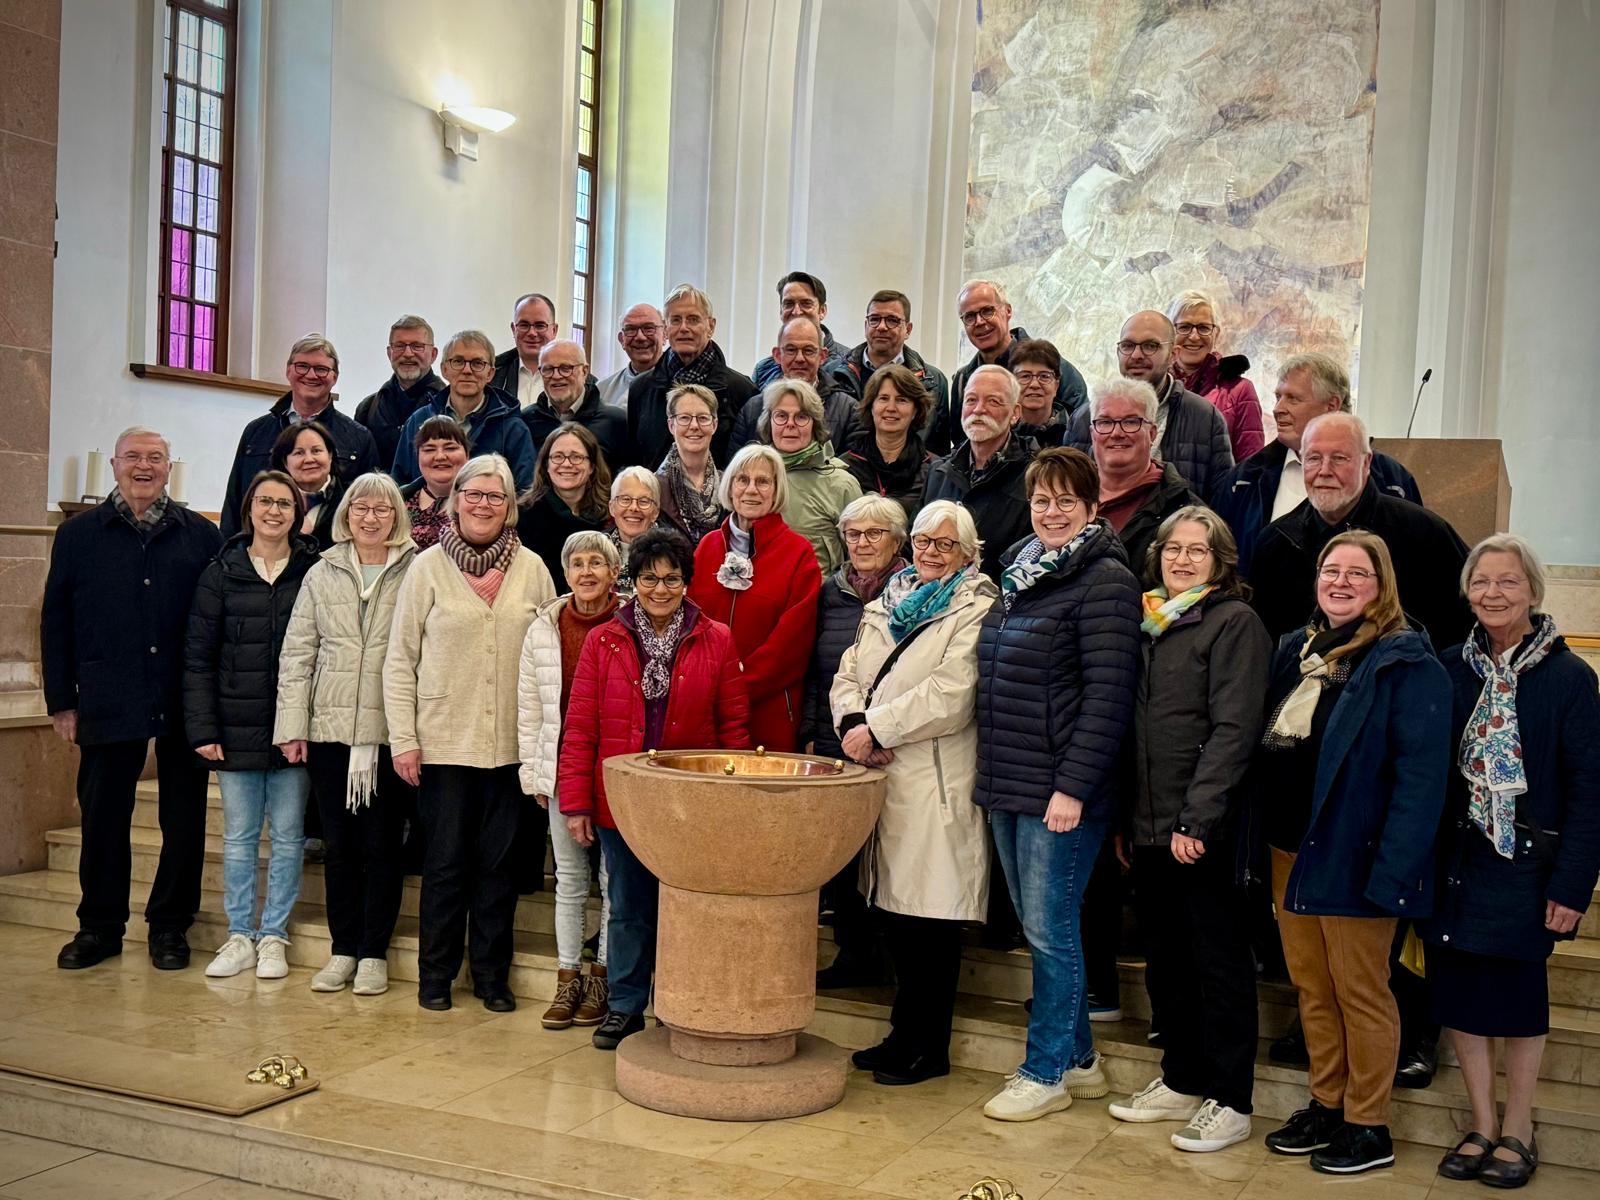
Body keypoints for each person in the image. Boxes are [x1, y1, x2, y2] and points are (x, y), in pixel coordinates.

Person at [1255, 530, 1451, 1175]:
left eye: (1357, 574)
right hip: (1292, 851)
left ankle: (1369, 1124)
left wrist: (1394, 871)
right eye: (1329, 570)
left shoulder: (1405, 663)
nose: (1339, 582)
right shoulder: (1301, 652)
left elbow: (1421, 782)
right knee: (1312, 987)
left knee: (1360, 990)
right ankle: (1328, 1103)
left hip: (1355, 855)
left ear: (1382, 585)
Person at [1426, 535, 1600, 1188]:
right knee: (1461, 997)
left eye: (1507, 582)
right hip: (1459, 860)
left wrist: (1574, 885)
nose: (1493, 594)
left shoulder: (1570, 678)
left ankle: (1520, 1125)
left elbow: (1591, 791)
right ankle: (1481, 1122)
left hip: (1528, 864)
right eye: (1482, 582)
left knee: (1518, 1000)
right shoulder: (1450, 667)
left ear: (1532, 590)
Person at [973, 447, 1141, 1122]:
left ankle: (1043, 1072)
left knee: (1052, 934)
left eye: (1067, 501)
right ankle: (1080, 1062)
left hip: (1062, 793)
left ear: (1093, 508)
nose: (1051, 512)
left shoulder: (1104, 579)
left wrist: (1073, 787)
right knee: (1042, 928)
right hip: (1011, 780)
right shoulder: (1020, 569)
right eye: (1042, 499)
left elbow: (1109, 694)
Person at [1107, 506, 1271, 1153]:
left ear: (1220, 561)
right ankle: (1180, 1076)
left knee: (1218, 966)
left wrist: (1196, 820)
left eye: (1196, 551)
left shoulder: (1234, 623)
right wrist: (1129, 819)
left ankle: (1230, 1099)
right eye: (1173, 548)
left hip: (1203, 833)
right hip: (1148, 827)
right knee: (1167, 962)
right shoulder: (1151, 623)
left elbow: (1233, 731)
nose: (1181, 559)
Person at [560, 529, 751, 1049]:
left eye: (671, 579)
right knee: (626, 907)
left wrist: (731, 799)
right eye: (649, 579)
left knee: (685, 909)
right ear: (633, 581)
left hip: (690, 801)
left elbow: (733, 728)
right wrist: (576, 801)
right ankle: (624, 1007)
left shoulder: (715, 638)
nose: (660, 589)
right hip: (623, 801)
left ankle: (677, 1002)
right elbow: (580, 728)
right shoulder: (605, 639)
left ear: (687, 583)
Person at [42, 427, 221, 972]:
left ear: (170, 468)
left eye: (156, 458)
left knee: (184, 819)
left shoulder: (199, 536)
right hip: (106, 692)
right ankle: (99, 928)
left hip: (181, 694)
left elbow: (215, 623)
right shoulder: (78, 535)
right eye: (134, 457)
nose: (144, 466)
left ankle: (170, 928)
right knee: (103, 817)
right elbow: (56, 620)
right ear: (116, 464)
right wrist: (61, 699)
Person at [831, 500, 998, 1085]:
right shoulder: (888, 601)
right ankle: (904, 1033)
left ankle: (930, 1046)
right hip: (880, 774)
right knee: (896, 916)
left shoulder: (975, 609)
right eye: (923, 540)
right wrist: (852, 724)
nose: (930, 551)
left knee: (929, 922)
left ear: (968, 555)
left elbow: (951, 695)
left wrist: (875, 729)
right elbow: (848, 671)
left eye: (944, 544)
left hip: (933, 783)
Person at [383, 455, 557, 1012]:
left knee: (498, 870)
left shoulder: (532, 569)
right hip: (443, 744)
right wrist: (404, 739)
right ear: (455, 499)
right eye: (474, 494)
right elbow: (399, 658)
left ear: (510, 508)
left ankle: (490, 978)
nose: (483, 504)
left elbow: (549, 659)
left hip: (511, 747)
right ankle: (435, 976)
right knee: (445, 866)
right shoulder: (426, 567)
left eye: (495, 496)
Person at [273, 473, 416, 997]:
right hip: (329, 731)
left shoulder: (415, 568)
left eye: (382, 509)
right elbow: (297, 654)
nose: (371, 518)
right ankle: (342, 949)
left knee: (382, 845)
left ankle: (374, 952)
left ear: (396, 516)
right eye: (362, 509)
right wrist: (291, 726)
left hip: (387, 731)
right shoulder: (322, 570)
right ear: (347, 514)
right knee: (339, 846)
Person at [184, 470, 320, 981]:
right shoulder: (221, 570)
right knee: (240, 837)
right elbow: (198, 658)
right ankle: (240, 934)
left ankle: (274, 937)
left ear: (297, 513)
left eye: (285, 503)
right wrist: (203, 729)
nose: (274, 511)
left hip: (293, 728)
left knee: (288, 837)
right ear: (250, 509)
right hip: (234, 724)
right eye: (265, 501)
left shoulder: (313, 569)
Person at [1250, 412, 1471, 650]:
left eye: (1339, 458)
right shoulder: (1276, 542)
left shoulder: (1423, 534)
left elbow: (1461, 627)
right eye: (1314, 458)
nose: (1324, 470)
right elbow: (1265, 643)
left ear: (1366, 463)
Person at [517, 531, 622, 1031]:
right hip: (562, 767)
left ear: (613, 572)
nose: (586, 572)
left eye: (596, 563)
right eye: (577, 563)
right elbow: (530, 708)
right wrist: (535, 771)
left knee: (612, 881)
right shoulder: (543, 626)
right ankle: (568, 978)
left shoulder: (630, 621)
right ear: (566, 572)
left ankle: (602, 979)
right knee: (570, 881)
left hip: (614, 771)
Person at [806, 495, 907, 990]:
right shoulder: (831, 592)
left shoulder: (913, 591)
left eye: (874, 534)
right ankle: (853, 952)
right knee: (842, 851)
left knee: (890, 852)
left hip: (893, 743)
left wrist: (881, 730)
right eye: (853, 534)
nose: (862, 543)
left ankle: (892, 952)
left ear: (897, 540)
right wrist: (810, 733)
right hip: (833, 740)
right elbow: (814, 669)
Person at [1210, 353, 1420, 573]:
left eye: (1293, 398)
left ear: (1332, 405)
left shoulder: (1392, 479)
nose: (1278, 409)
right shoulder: (1244, 479)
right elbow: (1220, 560)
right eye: (1278, 397)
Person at [687, 444, 822, 751]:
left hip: (770, 710)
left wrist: (734, 688)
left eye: (763, 481)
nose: (751, 490)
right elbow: (691, 624)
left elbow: (792, 643)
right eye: (742, 479)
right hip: (706, 708)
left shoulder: (799, 554)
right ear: (730, 486)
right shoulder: (707, 548)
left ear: (776, 491)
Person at [221, 334, 378, 539]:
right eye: (302, 366)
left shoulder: (358, 438)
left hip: (327, 555)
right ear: (288, 371)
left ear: (335, 377)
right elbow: (234, 502)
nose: (311, 375)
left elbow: (370, 507)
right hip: (257, 552)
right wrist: (229, 554)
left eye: (321, 369)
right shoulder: (256, 432)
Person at [1066, 310, 1234, 498]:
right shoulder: (1085, 418)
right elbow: (1069, 492)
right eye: (1128, 346)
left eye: (1150, 346)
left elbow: (1223, 501)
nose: (1137, 355)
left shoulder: (1205, 418)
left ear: (1173, 354)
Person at [921, 365, 1038, 585]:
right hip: (936, 601)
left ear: (1015, 414)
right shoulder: (938, 473)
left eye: (993, 401)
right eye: (971, 400)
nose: (978, 410)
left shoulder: (1035, 475)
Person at [628, 283, 758, 470]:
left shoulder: (741, 390)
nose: (683, 328)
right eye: (675, 320)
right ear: (666, 328)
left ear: (710, 326)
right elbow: (634, 458)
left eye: (693, 319)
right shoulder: (641, 388)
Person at [392, 331, 537, 491]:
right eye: (458, 361)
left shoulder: (512, 429)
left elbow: (525, 493)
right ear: (444, 369)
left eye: (477, 363)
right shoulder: (419, 421)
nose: (467, 370)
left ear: (490, 373)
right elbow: (400, 486)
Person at [949, 280, 1088, 445]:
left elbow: (1080, 437)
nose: (979, 321)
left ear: (1008, 311)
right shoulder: (963, 379)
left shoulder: (1056, 368)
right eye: (969, 316)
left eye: (987, 311)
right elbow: (961, 443)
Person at [1086, 378, 1202, 573]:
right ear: (1092, 433)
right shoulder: (1065, 497)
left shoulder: (1185, 512)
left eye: (1131, 421)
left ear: (1152, 433)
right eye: (1105, 422)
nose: (1116, 433)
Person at [756, 378, 862, 574]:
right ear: (768, 422)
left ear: (815, 424)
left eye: (801, 417)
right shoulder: (750, 475)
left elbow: (859, 559)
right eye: (781, 416)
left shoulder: (841, 484)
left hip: (818, 597)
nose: (790, 424)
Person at [729, 316, 860, 454]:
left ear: (822, 356)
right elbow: (736, 468)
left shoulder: (848, 409)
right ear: (777, 355)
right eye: (791, 350)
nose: (799, 359)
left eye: (808, 350)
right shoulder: (753, 408)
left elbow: (853, 467)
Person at [840, 290, 952, 453]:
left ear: (908, 329)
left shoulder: (933, 380)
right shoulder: (836, 374)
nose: (882, 327)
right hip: (850, 472)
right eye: (875, 319)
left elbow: (939, 448)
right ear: (866, 325)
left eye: (892, 320)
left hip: (914, 475)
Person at [1166, 291, 1264, 461]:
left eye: (1203, 328)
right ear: (1169, 333)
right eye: (1184, 327)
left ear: (1216, 334)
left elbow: (1250, 466)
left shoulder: (1240, 391)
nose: (1194, 336)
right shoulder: (1154, 387)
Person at [517, 424, 614, 587]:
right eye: (558, 457)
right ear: (546, 465)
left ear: (591, 466)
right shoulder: (524, 515)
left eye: (576, 457)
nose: (567, 464)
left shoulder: (609, 514)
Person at [842, 364, 933, 524]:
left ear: (916, 411)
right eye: (883, 398)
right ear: (871, 406)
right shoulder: (844, 468)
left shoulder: (933, 470)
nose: (891, 408)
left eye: (902, 400)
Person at [521, 338, 629, 472]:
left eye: (565, 368)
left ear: (584, 371)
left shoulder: (615, 421)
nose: (556, 376)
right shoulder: (526, 421)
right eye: (548, 369)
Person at [354, 315, 445, 473]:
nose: (408, 353)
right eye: (400, 346)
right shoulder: (368, 408)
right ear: (390, 353)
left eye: (417, 346)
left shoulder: (447, 405)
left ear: (433, 354)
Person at [749, 270, 857, 394]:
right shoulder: (763, 370)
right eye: (788, 304)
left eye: (806, 303)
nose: (796, 311)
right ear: (780, 311)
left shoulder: (848, 364)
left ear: (822, 311)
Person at [654, 384, 725, 544]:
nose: (694, 426)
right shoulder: (653, 487)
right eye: (684, 418)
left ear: (714, 425)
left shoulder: (730, 486)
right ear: (671, 425)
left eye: (702, 418)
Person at [400, 415, 470, 551]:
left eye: (450, 448)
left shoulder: (483, 502)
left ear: (467, 455)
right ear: (417, 457)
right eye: (429, 450)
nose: (440, 457)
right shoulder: (396, 503)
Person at [270, 421, 343, 550]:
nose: (309, 459)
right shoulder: (268, 501)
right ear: (285, 462)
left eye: (316, 451)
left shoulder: (351, 500)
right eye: (299, 453)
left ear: (330, 455)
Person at [491, 292, 560, 407]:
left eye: (540, 325)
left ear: (554, 330)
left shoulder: (577, 379)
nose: (532, 333)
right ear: (514, 329)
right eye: (524, 325)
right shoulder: (492, 375)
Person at [607, 467, 666, 593]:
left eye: (644, 501)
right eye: (625, 499)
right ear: (612, 507)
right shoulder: (596, 551)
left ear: (656, 512)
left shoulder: (672, 553)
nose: (634, 508)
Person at [597, 303, 666, 410]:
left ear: (665, 334)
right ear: (621, 340)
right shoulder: (602, 391)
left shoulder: (683, 384)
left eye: (648, 328)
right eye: (631, 329)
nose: (640, 337)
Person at [1010, 339, 1073, 448]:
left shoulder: (1078, 430)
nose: (1034, 384)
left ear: (1056, 385)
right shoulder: (999, 429)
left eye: (1044, 376)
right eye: (1025, 376)